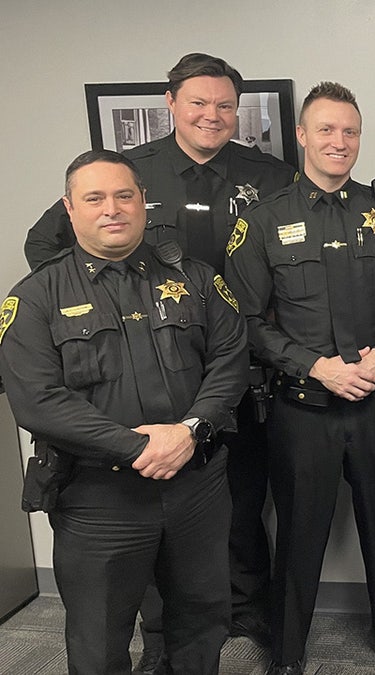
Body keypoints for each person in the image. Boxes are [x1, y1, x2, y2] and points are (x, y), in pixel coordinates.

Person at [25, 53, 296, 665]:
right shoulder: (129, 172)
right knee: (146, 531)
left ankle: (243, 618)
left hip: (233, 369)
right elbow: (44, 245)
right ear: (169, 104)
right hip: (136, 372)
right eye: (198, 102)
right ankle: (161, 637)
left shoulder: (269, 174)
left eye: (225, 105)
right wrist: (91, 305)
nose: (212, 114)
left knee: (240, 500)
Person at [0, 150, 248, 674]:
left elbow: (230, 359)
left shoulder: (197, 280)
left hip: (195, 486)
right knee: (99, 639)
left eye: (124, 195)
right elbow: (37, 401)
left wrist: (189, 430)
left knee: (202, 621)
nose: (111, 208)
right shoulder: (36, 297)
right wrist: (142, 447)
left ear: (141, 202)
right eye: (94, 198)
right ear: (70, 209)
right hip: (99, 499)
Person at [224, 82, 375, 675]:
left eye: (351, 131)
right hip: (303, 407)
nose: (340, 142)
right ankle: (287, 652)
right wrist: (315, 365)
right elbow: (247, 322)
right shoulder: (262, 221)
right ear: (303, 136)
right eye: (328, 130)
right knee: (299, 534)